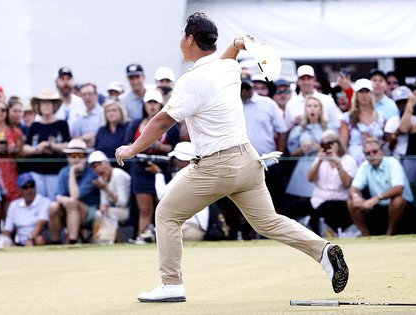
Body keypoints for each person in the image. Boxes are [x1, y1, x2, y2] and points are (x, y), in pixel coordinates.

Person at [115, 13, 349, 302]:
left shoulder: (191, 81)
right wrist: (238, 43)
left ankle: (171, 284)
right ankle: (323, 251)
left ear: (190, 39)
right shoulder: (229, 67)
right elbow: (228, 55)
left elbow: (163, 122)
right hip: (248, 163)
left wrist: (131, 149)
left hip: (216, 167)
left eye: (182, 36)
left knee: (166, 215)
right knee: (269, 222)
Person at [125, 89, 179, 244]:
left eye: (155, 103)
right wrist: (143, 145)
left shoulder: (171, 125)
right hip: (140, 170)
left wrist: (154, 145)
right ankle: (142, 236)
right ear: (144, 105)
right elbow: (128, 143)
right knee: (144, 209)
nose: (152, 106)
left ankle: (163, 240)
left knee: (162, 208)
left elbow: (173, 147)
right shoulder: (135, 124)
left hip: (162, 169)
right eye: (149, 103)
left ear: (160, 104)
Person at [348, 137, 414, 236]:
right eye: (368, 153)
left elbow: (399, 188)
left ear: (382, 152)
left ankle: (390, 235)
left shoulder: (392, 162)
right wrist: (356, 197)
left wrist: (377, 198)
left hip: (404, 208)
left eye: (375, 151)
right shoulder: (365, 165)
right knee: (352, 203)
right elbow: (353, 188)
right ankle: (366, 237)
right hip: (379, 208)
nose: (372, 155)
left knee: (397, 200)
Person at [146, 142, 209, 241]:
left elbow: (162, 195)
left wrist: (158, 174)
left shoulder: (186, 172)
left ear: (184, 159)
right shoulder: (195, 170)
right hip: (195, 227)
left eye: (177, 159)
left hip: (191, 228)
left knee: (158, 234)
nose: (175, 161)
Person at [241, 78, 288, 212]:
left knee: (273, 201)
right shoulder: (231, 103)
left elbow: (282, 130)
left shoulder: (267, 103)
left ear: (252, 88)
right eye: (241, 88)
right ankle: (246, 232)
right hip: (242, 165)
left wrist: (279, 154)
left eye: (247, 88)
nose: (244, 92)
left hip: (269, 164)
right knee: (246, 203)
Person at [284, 96, 329, 220]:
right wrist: (301, 150)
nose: (312, 109)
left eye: (315, 106)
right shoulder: (298, 130)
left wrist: (319, 147)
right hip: (303, 166)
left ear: (320, 110)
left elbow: (335, 149)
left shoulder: (327, 128)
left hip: (322, 165)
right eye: (309, 106)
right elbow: (291, 153)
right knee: (301, 200)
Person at [22, 89, 70, 201]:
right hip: (37, 171)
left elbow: (68, 145)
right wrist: (37, 148)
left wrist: (51, 145)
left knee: (54, 202)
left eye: (49, 102)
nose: (46, 106)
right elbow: (25, 148)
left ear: (54, 106)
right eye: (43, 103)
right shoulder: (34, 125)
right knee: (39, 202)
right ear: (38, 106)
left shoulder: (61, 124)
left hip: (56, 172)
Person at [48, 139, 99, 244]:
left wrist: (72, 173)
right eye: (72, 155)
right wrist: (65, 200)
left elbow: (75, 196)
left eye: (79, 155)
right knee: (53, 206)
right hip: (69, 208)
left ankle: (72, 241)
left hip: (90, 211)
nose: (76, 159)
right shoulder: (63, 171)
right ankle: (55, 242)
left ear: (85, 157)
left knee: (72, 203)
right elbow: (58, 195)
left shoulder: (91, 173)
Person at [307, 130, 357, 235]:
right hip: (317, 199)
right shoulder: (320, 159)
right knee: (292, 208)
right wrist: (320, 161)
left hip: (338, 200)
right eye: (324, 144)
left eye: (330, 143)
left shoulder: (348, 160)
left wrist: (338, 163)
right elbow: (310, 178)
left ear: (337, 144)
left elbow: (347, 183)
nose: (327, 146)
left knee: (325, 208)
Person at [340, 78, 385, 165]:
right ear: (356, 95)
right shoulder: (346, 118)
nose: (364, 95)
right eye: (361, 92)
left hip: (377, 163)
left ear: (372, 94)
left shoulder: (381, 117)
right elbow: (343, 146)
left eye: (367, 91)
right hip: (354, 164)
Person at [88, 151, 131, 241]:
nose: (98, 168)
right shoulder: (101, 178)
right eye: (94, 166)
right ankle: (103, 243)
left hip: (129, 210)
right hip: (114, 209)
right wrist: (103, 207)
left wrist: (106, 189)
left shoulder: (118, 175)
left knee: (107, 214)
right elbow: (104, 203)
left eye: (99, 164)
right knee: (100, 213)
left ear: (107, 163)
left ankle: (106, 242)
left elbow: (123, 203)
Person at [284, 65, 342, 131]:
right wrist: (295, 122)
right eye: (302, 79)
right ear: (298, 81)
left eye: (309, 78)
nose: (306, 82)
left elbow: (336, 124)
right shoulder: (291, 104)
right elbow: (287, 129)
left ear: (314, 80)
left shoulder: (327, 100)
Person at [1, 173, 50, 246]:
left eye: (32, 186)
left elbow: (40, 224)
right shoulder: (14, 205)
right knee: (4, 243)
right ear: (19, 190)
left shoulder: (45, 202)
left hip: (37, 239)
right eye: (25, 187)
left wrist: (30, 239)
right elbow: (8, 230)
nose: (29, 190)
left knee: (38, 239)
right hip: (21, 243)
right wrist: (3, 241)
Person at [53, 67, 87, 135]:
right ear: (56, 82)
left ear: (73, 81)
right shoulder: (51, 102)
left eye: (68, 79)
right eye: (62, 79)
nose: (66, 83)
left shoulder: (80, 102)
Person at [71, 82, 104, 147]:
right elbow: (74, 137)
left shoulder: (104, 113)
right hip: (81, 152)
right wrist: (82, 139)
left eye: (90, 94)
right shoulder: (78, 115)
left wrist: (95, 136)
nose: (87, 97)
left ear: (96, 95)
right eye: (84, 94)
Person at [384, 86, 412, 157]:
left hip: (413, 157)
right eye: (399, 103)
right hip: (397, 158)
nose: (402, 105)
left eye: (405, 101)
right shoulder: (392, 121)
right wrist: (396, 133)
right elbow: (389, 147)